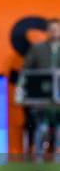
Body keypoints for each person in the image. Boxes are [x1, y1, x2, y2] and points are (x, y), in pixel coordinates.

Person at [20, 19, 60, 154]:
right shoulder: (37, 49)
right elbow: (25, 70)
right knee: (41, 126)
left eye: (57, 28)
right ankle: (38, 156)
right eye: (51, 29)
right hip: (42, 98)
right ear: (47, 31)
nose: (54, 32)